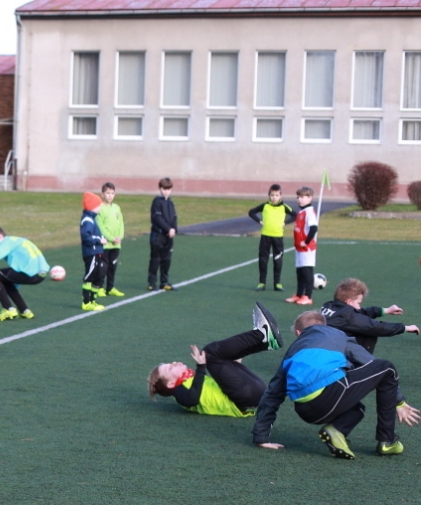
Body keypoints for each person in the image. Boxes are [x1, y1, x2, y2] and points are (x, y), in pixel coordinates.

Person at [252, 312, 421, 457]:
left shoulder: (292, 352)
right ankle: (387, 441)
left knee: (356, 410)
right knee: (386, 368)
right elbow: (369, 362)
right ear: (324, 326)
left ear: (298, 333)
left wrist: (261, 437)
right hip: (329, 396)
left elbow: (272, 393)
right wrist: (398, 401)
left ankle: (337, 430)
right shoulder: (338, 335)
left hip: (305, 411)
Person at [148, 303, 282, 417]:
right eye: (169, 368)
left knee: (217, 356)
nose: (173, 363)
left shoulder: (190, 381)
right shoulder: (179, 393)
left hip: (253, 393)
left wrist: (234, 358)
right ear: (171, 384)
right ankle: (260, 335)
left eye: (170, 363)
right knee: (209, 354)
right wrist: (201, 367)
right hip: (247, 397)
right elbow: (192, 399)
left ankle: (265, 342)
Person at [319, 278, 418, 354]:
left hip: (319, 349)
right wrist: (405, 328)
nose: (359, 306)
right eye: (358, 303)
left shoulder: (328, 305)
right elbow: (376, 327)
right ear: (349, 301)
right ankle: (362, 365)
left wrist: (386, 310)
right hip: (331, 359)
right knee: (368, 333)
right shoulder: (348, 316)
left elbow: (358, 313)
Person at [248, 184, 296, 293]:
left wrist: (285, 222)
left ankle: (277, 283)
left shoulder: (284, 207)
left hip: (278, 237)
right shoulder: (265, 206)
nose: (274, 197)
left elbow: (295, 215)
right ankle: (262, 283)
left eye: (277, 195)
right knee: (263, 260)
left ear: (281, 196)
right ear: (269, 195)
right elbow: (251, 212)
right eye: (272, 195)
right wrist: (259, 221)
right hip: (265, 236)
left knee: (277, 260)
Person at [286, 186, 319, 305]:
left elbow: (314, 228)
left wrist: (306, 241)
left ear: (310, 198)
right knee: (299, 272)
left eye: (303, 197)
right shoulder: (301, 212)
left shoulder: (309, 212)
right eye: (298, 197)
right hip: (299, 248)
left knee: (307, 271)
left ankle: (308, 296)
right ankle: (299, 294)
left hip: (307, 248)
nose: (299, 199)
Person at [96, 182, 126, 298]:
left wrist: (120, 237)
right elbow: (101, 227)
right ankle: (99, 287)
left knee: (113, 266)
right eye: (107, 193)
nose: (110, 195)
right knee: (103, 266)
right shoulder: (100, 208)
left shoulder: (116, 208)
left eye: (112, 193)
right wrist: (111, 238)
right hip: (105, 244)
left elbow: (121, 223)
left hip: (116, 244)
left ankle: (110, 287)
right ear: (102, 194)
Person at [148, 177, 178, 291]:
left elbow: (174, 217)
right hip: (158, 236)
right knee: (155, 259)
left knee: (166, 260)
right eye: (164, 189)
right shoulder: (157, 202)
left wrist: (174, 229)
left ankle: (164, 282)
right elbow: (157, 218)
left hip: (168, 237)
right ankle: (152, 283)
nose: (166, 191)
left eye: (168, 189)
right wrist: (168, 229)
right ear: (160, 189)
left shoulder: (170, 203)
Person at [79, 191, 107, 312]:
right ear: (92, 206)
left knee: (98, 276)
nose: (100, 207)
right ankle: (86, 302)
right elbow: (86, 236)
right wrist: (99, 240)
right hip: (91, 253)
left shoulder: (92, 219)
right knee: (89, 276)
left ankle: (93, 300)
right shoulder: (87, 220)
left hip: (97, 252)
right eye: (98, 205)